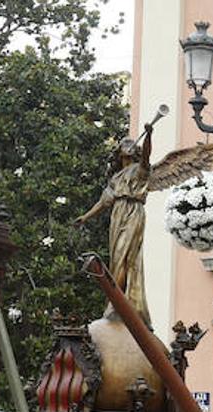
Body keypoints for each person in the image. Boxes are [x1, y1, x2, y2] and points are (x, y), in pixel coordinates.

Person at [75, 118, 158, 325]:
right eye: (124, 143)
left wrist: (149, 135)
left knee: (126, 255)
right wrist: (85, 217)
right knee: (116, 258)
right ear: (119, 152)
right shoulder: (115, 178)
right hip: (117, 213)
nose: (128, 145)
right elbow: (103, 202)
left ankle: (118, 304)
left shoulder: (139, 170)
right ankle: (118, 301)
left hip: (133, 210)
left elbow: (147, 157)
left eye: (131, 144)